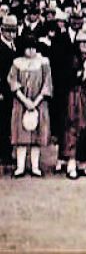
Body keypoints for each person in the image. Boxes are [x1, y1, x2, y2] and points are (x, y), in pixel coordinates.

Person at [6, 36, 53, 177]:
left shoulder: (43, 63)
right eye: (28, 48)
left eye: (33, 48)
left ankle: (35, 166)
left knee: (36, 136)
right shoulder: (17, 63)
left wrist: (36, 101)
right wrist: (24, 100)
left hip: (39, 103)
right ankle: (20, 167)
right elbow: (12, 82)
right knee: (21, 135)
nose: (31, 51)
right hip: (21, 103)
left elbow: (47, 83)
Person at [60, 30, 86, 180]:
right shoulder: (72, 59)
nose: (85, 46)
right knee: (73, 126)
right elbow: (71, 78)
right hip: (74, 96)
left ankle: (81, 163)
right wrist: (84, 73)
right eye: (82, 43)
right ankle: (71, 164)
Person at [0, 15, 18, 169]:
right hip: (2, 90)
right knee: (3, 122)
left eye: (14, 31)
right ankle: (4, 154)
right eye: (9, 31)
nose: (11, 34)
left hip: (12, 90)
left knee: (9, 121)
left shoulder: (14, 45)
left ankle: (8, 152)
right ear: (2, 30)